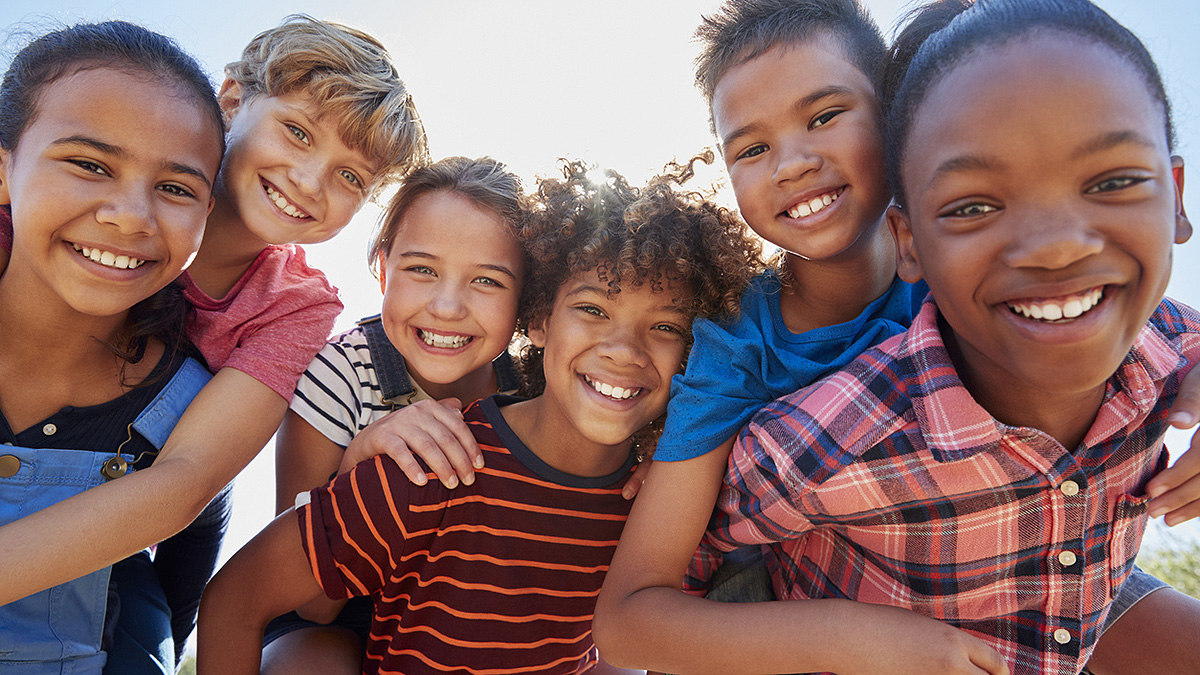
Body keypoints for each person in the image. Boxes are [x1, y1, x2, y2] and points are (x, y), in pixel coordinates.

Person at [596, 0, 1200, 673]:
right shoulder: (739, 355)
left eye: (824, 116)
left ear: (897, 126)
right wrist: (847, 637)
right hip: (806, 586)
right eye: (752, 147)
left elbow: (1162, 325)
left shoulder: (974, 258)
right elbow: (637, 603)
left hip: (1016, 547)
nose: (791, 163)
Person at [196, 160, 760, 674]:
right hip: (333, 603)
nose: (623, 349)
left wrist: (663, 456)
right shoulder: (384, 416)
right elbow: (291, 601)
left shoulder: (643, 483)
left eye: (666, 327)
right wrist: (360, 460)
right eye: (591, 309)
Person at [0, 14, 431, 664]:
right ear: (233, 102)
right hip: (54, 439)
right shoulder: (71, 217)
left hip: (160, 485)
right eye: (297, 132)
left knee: (152, 620)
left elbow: (187, 483)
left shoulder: (294, 301)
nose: (310, 181)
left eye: (350, 178)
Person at [0, 21, 223, 673]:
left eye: (176, 188)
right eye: (90, 164)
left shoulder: (187, 403)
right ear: (6, 169)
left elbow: (199, 526)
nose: (132, 215)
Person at [261, 156, 529, 674]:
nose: (448, 306)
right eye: (422, 269)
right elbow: (309, 601)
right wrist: (360, 460)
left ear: (526, 298)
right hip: (337, 615)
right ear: (383, 269)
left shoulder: (537, 391)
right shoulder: (341, 374)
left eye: (488, 281)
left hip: (472, 610)